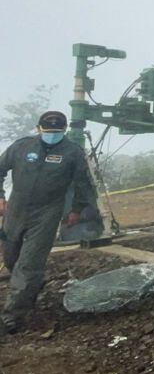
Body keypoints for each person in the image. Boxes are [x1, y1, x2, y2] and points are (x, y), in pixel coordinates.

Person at [0, 111, 95, 333]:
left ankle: (12, 317)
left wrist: (77, 209)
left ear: (64, 131)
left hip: (47, 213)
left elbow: (83, 183)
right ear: (39, 129)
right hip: (16, 210)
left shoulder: (73, 152)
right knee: (11, 257)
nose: (53, 135)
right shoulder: (21, 147)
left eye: (57, 131)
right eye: (49, 131)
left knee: (29, 263)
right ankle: (31, 286)